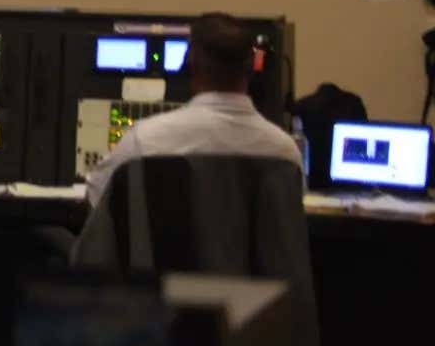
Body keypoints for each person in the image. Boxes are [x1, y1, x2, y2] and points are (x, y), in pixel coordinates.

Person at [82, 11, 301, 209]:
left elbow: (96, 195)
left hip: (167, 255)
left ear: (190, 64)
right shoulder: (285, 153)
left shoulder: (145, 140)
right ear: (252, 69)